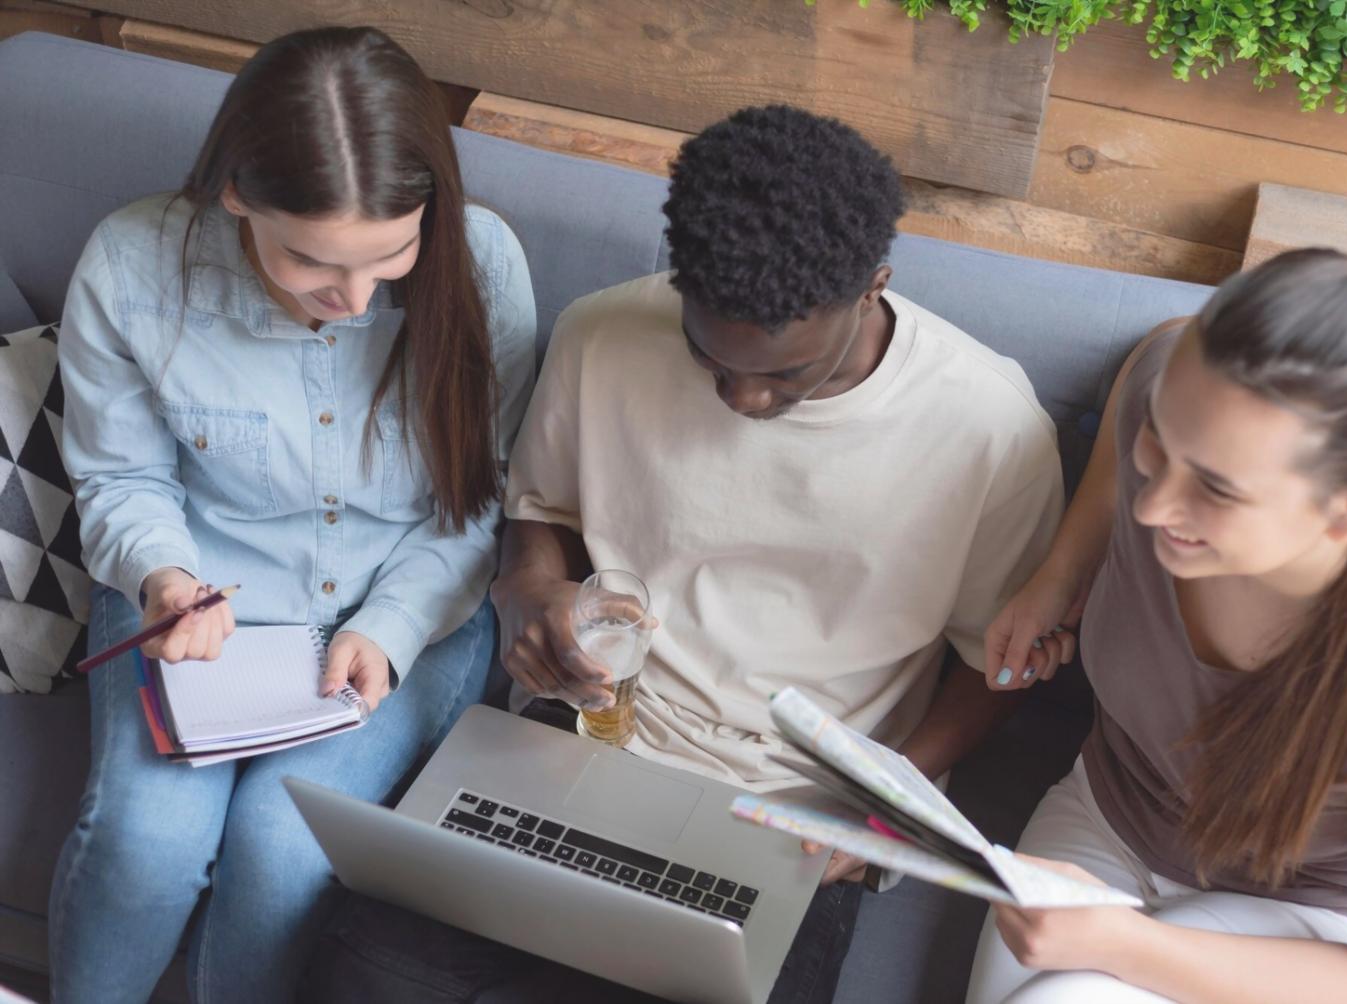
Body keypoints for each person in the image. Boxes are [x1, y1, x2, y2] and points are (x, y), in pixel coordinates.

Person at [487, 103, 1063, 1001]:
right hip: (587, 735)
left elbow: (995, 663)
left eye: (785, 374)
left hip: (804, 805)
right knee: (371, 967)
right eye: (710, 359)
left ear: (873, 284)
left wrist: (886, 806)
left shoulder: (989, 429)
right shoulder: (601, 333)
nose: (743, 401)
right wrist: (526, 588)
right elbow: (540, 509)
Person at [49, 27, 536, 1004]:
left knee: (285, 844)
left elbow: (473, 510)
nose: (355, 300)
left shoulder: (481, 267)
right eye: (312, 262)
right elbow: (122, 478)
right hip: (193, 599)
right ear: (237, 195)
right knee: (146, 841)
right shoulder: (135, 266)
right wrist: (165, 579)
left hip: (404, 608)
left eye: (389, 254)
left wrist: (385, 630)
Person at [966, 238, 1347, 1003]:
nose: (1152, 509)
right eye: (1160, 443)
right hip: (1109, 818)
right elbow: (1154, 358)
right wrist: (1061, 572)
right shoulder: (1176, 406)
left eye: (1215, 490)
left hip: (1305, 918)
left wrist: (1128, 946)